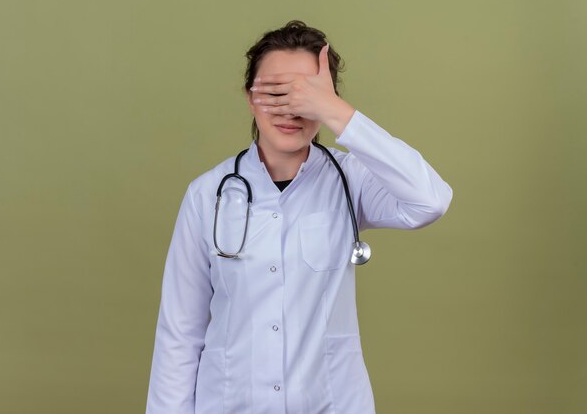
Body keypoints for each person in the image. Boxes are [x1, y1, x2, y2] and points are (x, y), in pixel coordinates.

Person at [145, 20, 453, 414]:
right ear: (249, 97)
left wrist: (337, 112)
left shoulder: (351, 181)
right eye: (275, 93)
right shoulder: (208, 195)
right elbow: (179, 334)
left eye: (307, 96)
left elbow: (431, 201)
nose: (291, 108)